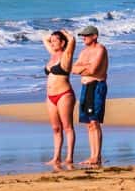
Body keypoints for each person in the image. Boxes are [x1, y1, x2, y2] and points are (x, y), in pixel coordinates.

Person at [73, 24, 109, 168]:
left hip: (96, 86)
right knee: (89, 123)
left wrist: (85, 68)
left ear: (94, 36)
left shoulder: (100, 49)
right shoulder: (84, 51)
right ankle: (93, 155)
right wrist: (85, 68)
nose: (83, 38)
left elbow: (94, 70)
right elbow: (73, 69)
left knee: (95, 122)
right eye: (83, 36)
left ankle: (97, 156)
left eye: (86, 36)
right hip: (85, 87)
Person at [42, 31, 76, 169]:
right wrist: (52, 36)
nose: (52, 42)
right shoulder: (52, 55)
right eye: (52, 41)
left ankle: (69, 157)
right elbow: (44, 39)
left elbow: (72, 39)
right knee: (56, 128)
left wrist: (62, 32)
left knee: (67, 127)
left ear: (62, 43)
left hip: (64, 94)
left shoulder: (66, 55)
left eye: (55, 41)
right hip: (50, 96)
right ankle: (56, 157)